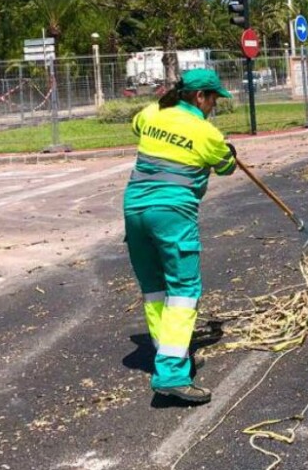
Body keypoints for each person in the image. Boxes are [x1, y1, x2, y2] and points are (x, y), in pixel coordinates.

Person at [122, 68, 237, 404]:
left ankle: (171, 356)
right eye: (213, 99)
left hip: (134, 210)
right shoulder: (206, 132)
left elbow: (137, 125)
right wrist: (229, 152)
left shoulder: (153, 112)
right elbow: (226, 167)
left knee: (155, 289)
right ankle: (172, 374)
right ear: (200, 97)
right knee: (183, 292)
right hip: (171, 214)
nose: (214, 106)